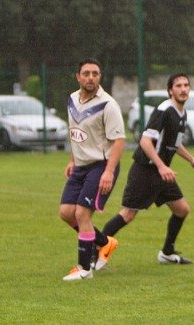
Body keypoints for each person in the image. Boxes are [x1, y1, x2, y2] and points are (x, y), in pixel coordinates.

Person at [100, 73, 194, 268]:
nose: (183, 89)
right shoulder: (164, 110)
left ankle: (167, 253)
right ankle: (94, 253)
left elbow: (174, 143)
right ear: (170, 91)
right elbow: (145, 141)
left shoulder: (181, 113)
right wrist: (161, 166)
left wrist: (192, 160)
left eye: (186, 85)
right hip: (146, 170)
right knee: (128, 214)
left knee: (181, 209)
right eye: (178, 86)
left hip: (162, 172)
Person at [59, 57, 126, 281]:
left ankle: (84, 269)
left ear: (100, 77)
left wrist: (108, 172)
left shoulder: (108, 104)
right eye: (86, 73)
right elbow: (75, 134)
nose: (90, 77)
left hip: (101, 166)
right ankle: (104, 243)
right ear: (78, 76)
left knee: (82, 214)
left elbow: (119, 141)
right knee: (67, 213)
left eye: (95, 73)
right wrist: (71, 160)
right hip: (80, 166)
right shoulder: (71, 100)